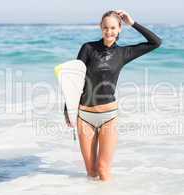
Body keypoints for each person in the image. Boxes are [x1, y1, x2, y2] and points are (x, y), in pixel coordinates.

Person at [64, 10, 162, 181]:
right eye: (105, 28)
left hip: (109, 116)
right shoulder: (88, 48)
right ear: (100, 28)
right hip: (85, 116)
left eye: (113, 28)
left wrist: (133, 23)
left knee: (103, 170)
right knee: (91, 172)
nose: (109, 32)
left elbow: (156, 42)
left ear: (119, 29)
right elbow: (75, 79)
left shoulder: (124, 53)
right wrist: (67, 108)